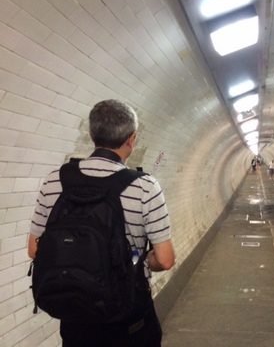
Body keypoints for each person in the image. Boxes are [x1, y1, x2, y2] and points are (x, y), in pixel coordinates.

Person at [27, 99, 175, 347]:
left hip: (75, 321)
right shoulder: (145, 187)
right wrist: (141, 261)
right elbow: (166, 259)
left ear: (92, 134)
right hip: (128, 321)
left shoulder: (56, 180)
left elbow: (34, 249)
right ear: (132, 139)